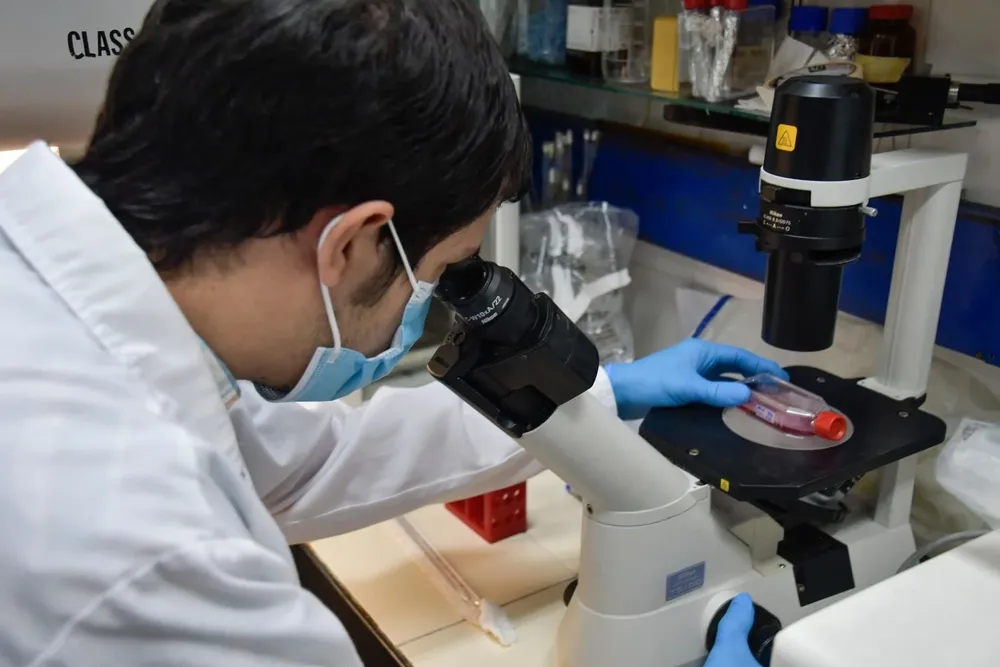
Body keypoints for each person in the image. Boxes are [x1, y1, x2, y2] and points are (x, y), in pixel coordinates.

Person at [0, 0, 782, 664]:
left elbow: (300, 462)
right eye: (443, 272)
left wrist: (596, 399)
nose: (431, 302)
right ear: (349, 242)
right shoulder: (145, 550)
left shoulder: (54, 297)